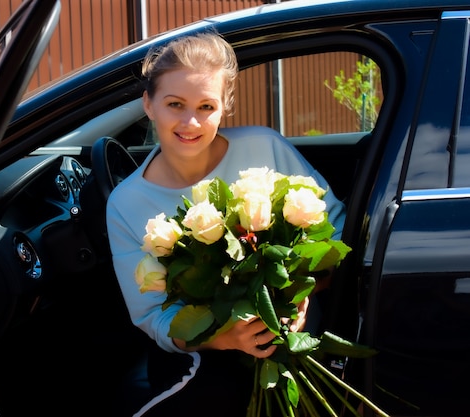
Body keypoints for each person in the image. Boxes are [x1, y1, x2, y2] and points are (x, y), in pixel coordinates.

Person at [106, 31, 346, 417]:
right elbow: (152, 316)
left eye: (205, 106)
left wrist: (303, 292)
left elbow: (337, 231)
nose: (190, 121)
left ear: (225, 106)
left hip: (306, 332)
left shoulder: (263, 148)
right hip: (210, 355)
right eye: (174, 104)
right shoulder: (126, 204)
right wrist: (223, 337)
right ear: (148, 104)